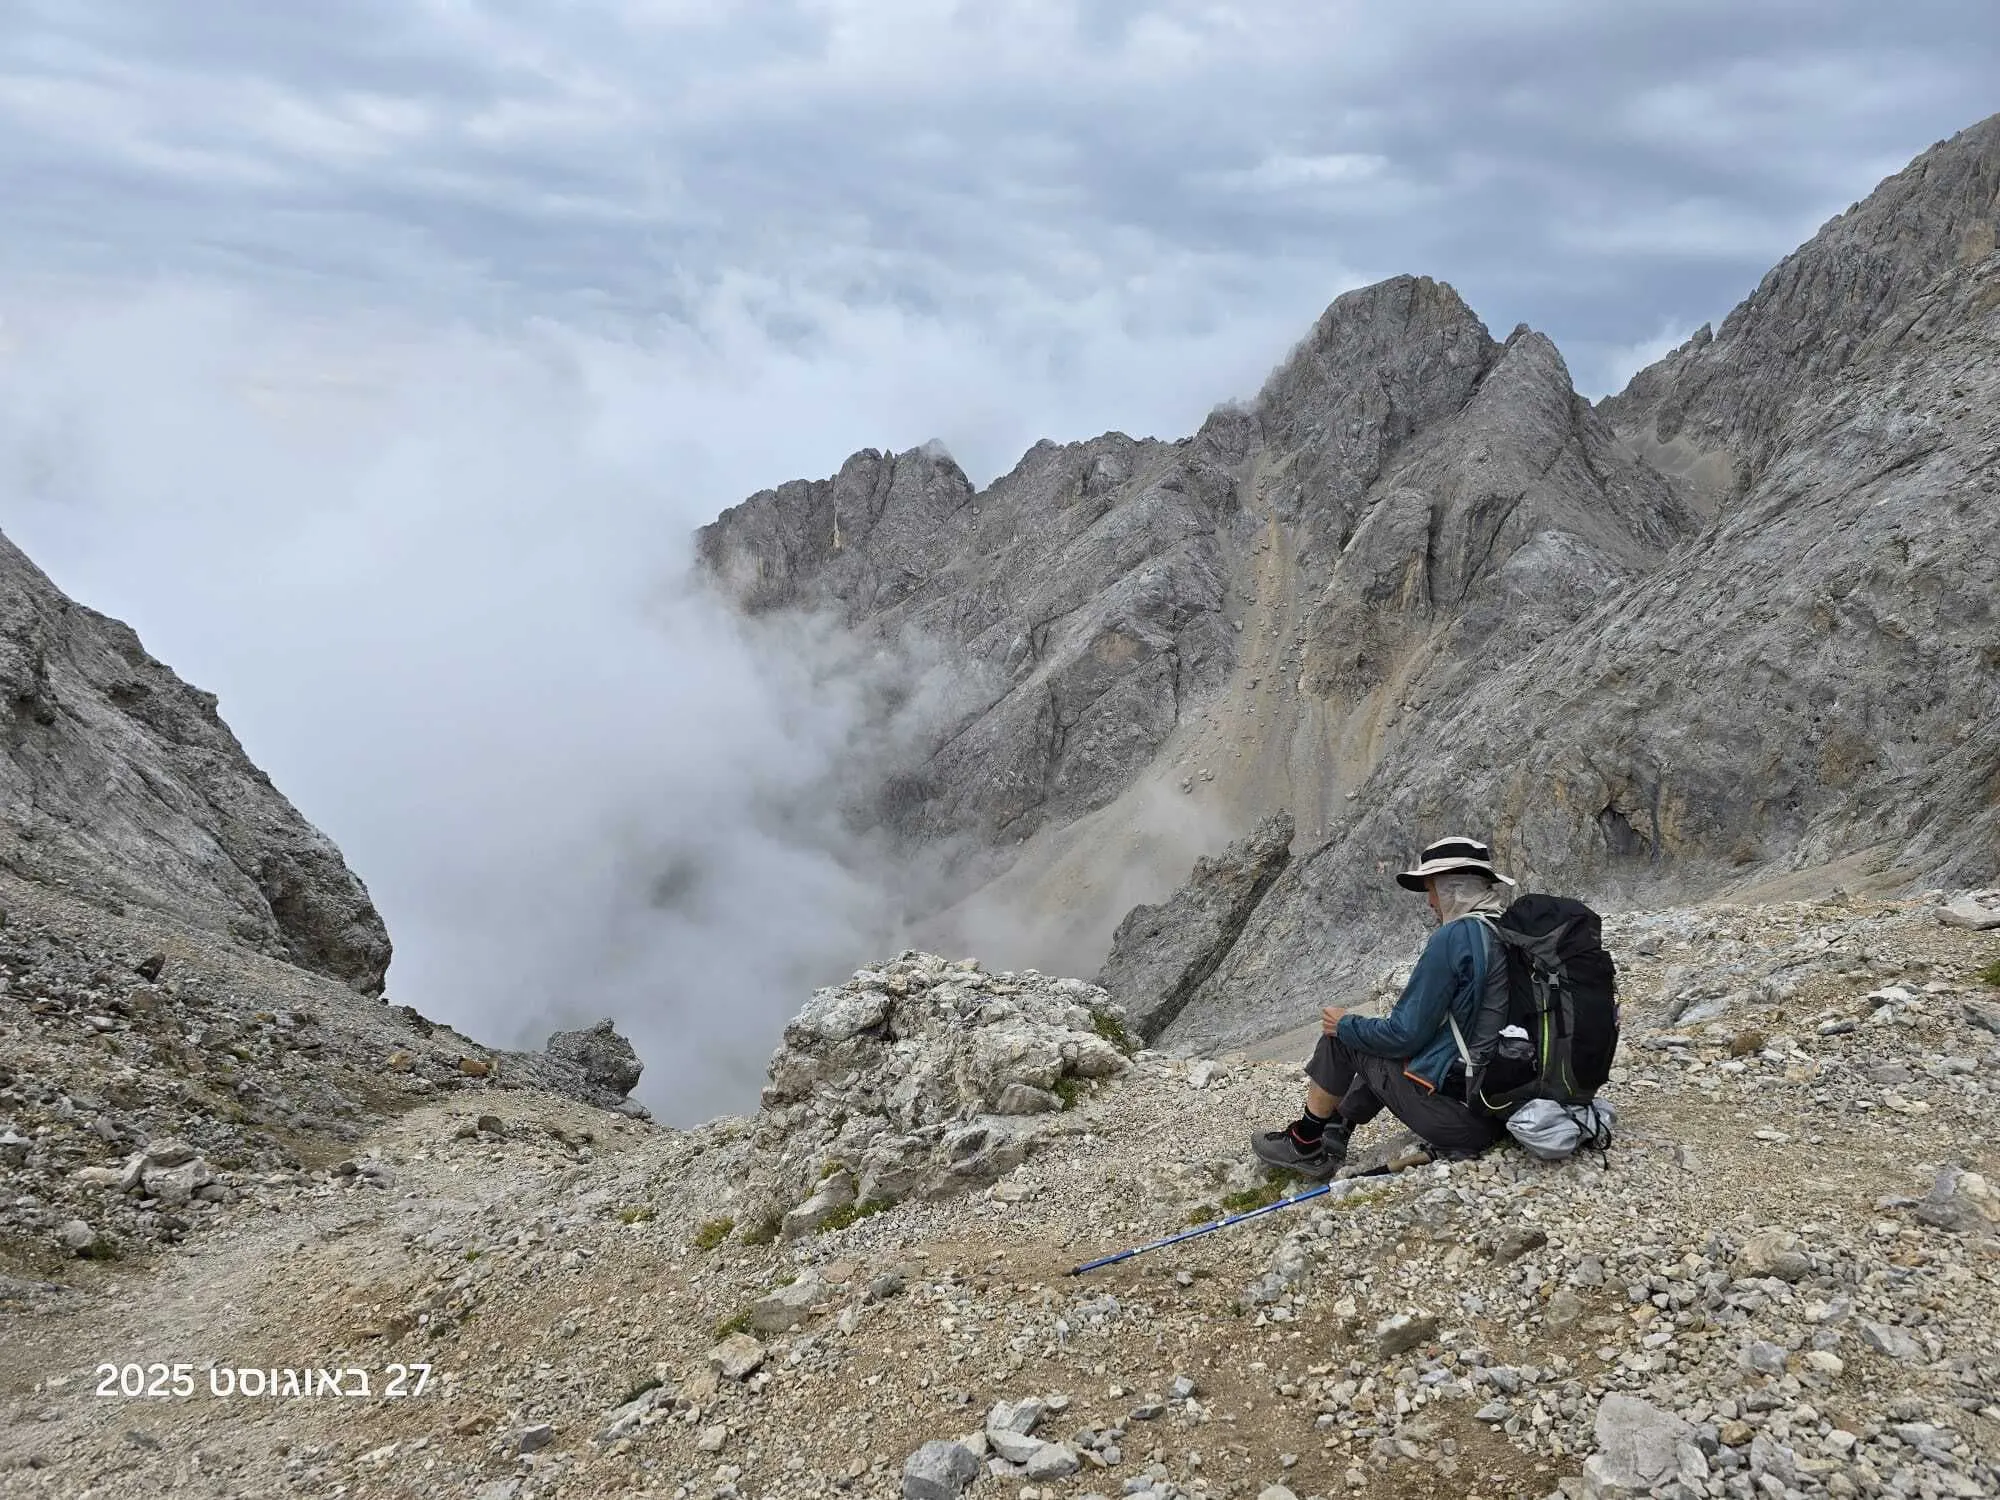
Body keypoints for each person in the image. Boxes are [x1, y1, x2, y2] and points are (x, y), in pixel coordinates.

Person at [1252, 836, 1516, 1179]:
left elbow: (1405, 1035)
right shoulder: (1503, 930)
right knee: (1370, 1035)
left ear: (1451, 888)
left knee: (1343, 1035)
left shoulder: (1454, 939)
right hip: (1503, 1111)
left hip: (1464, 1121)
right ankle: (1338, 1127)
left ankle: (1305, 1143)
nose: (1430, 903)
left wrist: (1344, 1024)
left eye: (1431, 890)